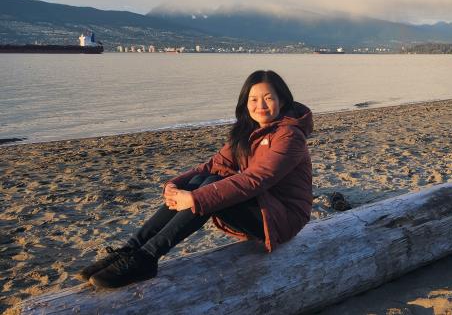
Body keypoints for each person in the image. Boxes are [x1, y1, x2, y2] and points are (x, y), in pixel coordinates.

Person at [80, 70, 313, 288]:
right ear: (245, 102)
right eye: (253, 99)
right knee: (203, 178)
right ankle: (130, 249)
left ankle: (147, 257)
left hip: (283, 218)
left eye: (268, 98)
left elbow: (257, 179)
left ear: (282, 100)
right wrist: (175, 185)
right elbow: (214, 165)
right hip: (261, 205)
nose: (260, 105)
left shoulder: (290, 136)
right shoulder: (247, 131)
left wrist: (194, 199)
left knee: (208, 188)